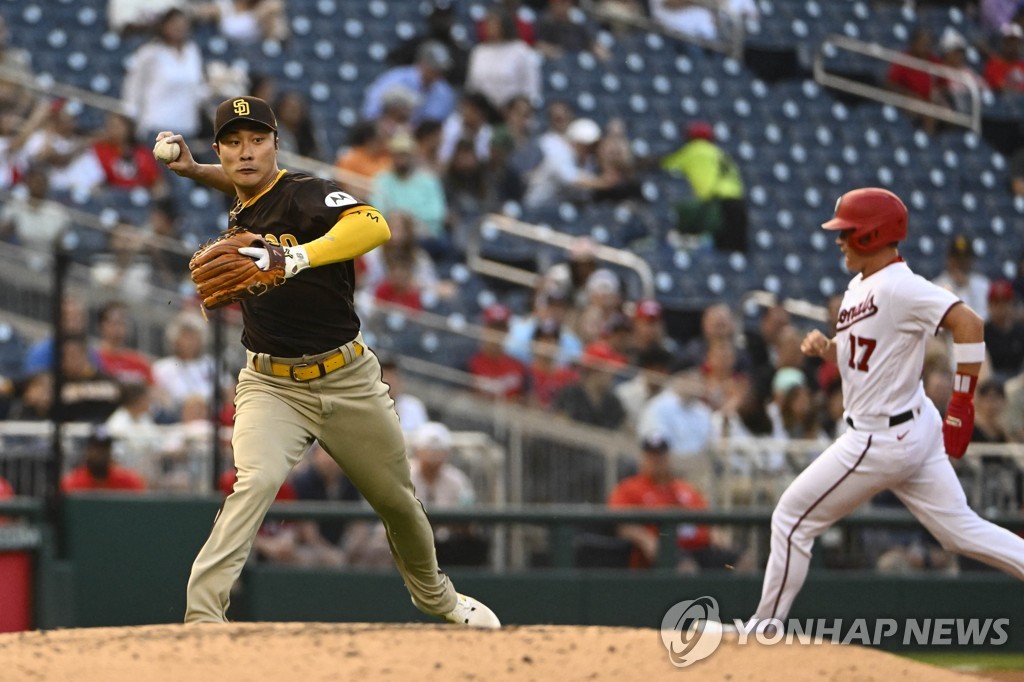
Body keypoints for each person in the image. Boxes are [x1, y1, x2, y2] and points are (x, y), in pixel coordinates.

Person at [154, 96, 499, 627]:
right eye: (233, 143)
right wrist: (192, 169)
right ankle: (203, 620)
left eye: (257, 140)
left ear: (276, 143)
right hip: (271, 385)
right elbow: (244, 186)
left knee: (398, 503)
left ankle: (439, 599)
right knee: (256, 482)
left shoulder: (307, 192)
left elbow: (375, 225)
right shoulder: (246, 197)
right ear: (220, 149)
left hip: (347, 379)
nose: (246, 153)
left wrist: (293, 256)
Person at [741, 187, 1024, 633]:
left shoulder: (900, 285)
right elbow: (871, 354)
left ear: (872, 235)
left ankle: (764, 630)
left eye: (847, 233)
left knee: (792, 518)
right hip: (912, 428)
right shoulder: (862, 285)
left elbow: (968, 322)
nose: (839, 241)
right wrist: (830, 349)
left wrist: (963, 399)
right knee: (960, 532)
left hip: (878, 438)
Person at [609, 433, 744, 571]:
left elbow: (704, 518)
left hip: (698, 547)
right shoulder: (628, 488)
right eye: (652, 456)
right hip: (662, 550)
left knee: (742, 561)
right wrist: (646, 539)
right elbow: (622, 524)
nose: (657, 461)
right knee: (686, 567)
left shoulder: (684, 488)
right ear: (644, 458)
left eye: (660, 456)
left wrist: (714, 533)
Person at [661, 121, 748, 253]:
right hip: (739, 205)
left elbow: (666, 164)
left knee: (719, 248)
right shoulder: (720, 153)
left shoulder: (694, 150)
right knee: (734, 249)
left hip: (719, 204)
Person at [61, 427, 147, 493]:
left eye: (105, 449)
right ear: (88, 451)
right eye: (97, 449)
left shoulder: (128, 481)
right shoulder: (73, 483)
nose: (101, 454)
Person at [933, 234, 990, 323]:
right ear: (949, 259)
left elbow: (985, 318)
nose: (961, 263)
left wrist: (966, 288)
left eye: (965, 258)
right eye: (957, 258)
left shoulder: (983, 285)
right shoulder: (936, 286)